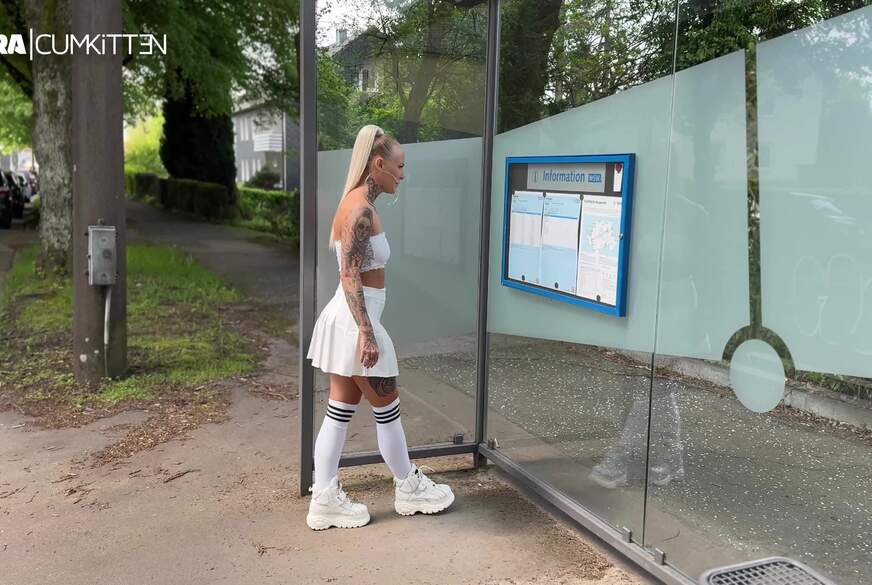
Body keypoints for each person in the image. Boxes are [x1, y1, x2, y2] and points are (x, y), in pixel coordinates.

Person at [305, 125, 455, 530]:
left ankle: (324, 498)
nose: (403, 175)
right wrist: (368, 334)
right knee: (388, 411)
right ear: (379, 164)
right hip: (357, 323)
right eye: (399, 166)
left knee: (339, 412)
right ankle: (409, 487)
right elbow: (349, 274)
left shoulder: (359, 204)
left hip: (351, 320)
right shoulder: (360, 211)